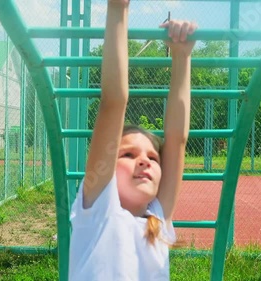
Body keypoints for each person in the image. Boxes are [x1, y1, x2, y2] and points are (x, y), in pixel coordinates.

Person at [69, 0, 197, 280]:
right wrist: (118, 8)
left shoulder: (158, 219)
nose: (144, 161)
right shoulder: (98, 210)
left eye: (153, 157)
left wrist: (182, 56)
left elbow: (176, 140)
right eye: (128, 155)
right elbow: (114, 102)